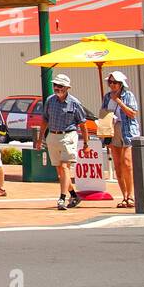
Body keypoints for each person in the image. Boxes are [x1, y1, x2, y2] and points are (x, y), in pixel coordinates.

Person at [37, 73, 89, 210]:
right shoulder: (50, 100)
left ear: (67, 88)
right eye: (55, 85)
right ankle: (74, 195)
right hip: (53, 136)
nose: (56, 88)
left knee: (65, 167)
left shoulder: (75, 103)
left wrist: (86, 143)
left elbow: (83, 124)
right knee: (60, 171)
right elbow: (45, 120)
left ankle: (62, 198)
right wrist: (40, 138)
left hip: (68, 136)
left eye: (60, 86)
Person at [102, 70, 139, 208]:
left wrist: (119, 102)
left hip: (127, 130)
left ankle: (131, 195)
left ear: (121, 84)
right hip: (113, 130)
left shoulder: (128, 95)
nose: (112, 85)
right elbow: (104, 113)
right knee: (117, 165)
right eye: (110, 82)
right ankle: (124, 196)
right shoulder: (106, 97)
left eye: (115, 82)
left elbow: (133, 113)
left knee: (127, 163)